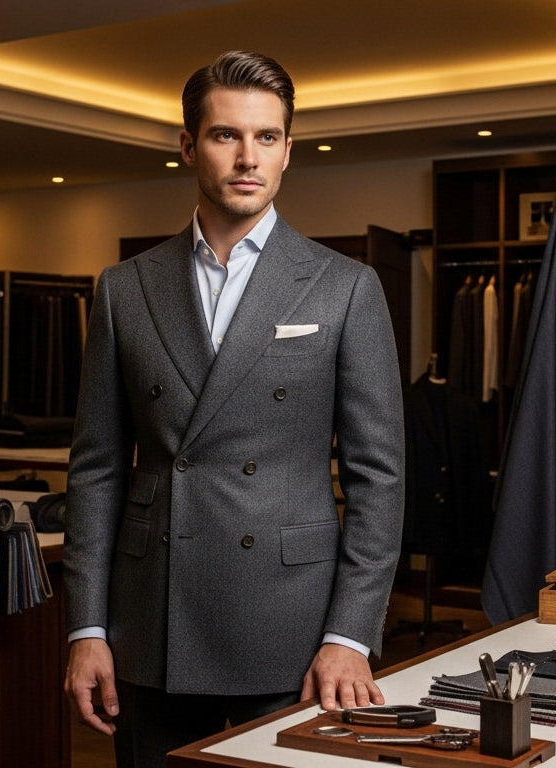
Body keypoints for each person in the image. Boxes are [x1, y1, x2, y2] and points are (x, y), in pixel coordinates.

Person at [62, 50, 405, 766]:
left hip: (290, 621)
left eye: (267, 138)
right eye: (225, 136)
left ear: (287, 152)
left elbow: (378, 479)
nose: (247, 157)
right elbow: (96, 472)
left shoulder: (344, 286)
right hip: (152, 614)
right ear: (188, 147)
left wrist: (349, 634)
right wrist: (85, 627)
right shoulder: (125, 287)